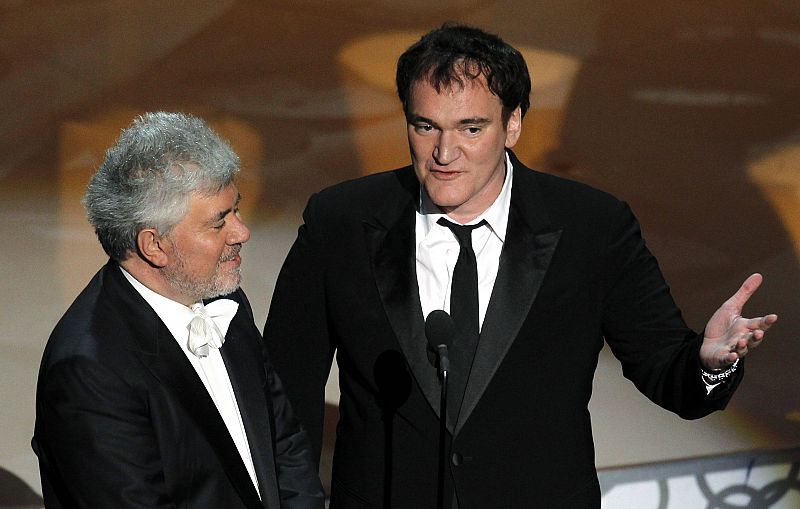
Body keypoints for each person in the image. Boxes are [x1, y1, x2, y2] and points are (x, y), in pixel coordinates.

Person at [262, 24, 778, 508]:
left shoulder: (591, 226)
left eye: (470, 127)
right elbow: (284, 393)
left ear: (512, 125)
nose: (445, 152)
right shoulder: (341, 221)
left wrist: (712, 363)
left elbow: (667, 373)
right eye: (426, 126)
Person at [32, 112, 325, 509]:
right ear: (154, 245)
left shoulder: (226, 303)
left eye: (235, 210)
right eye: (219, 222)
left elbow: (284, 446)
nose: (242, 232)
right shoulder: (89, 369)